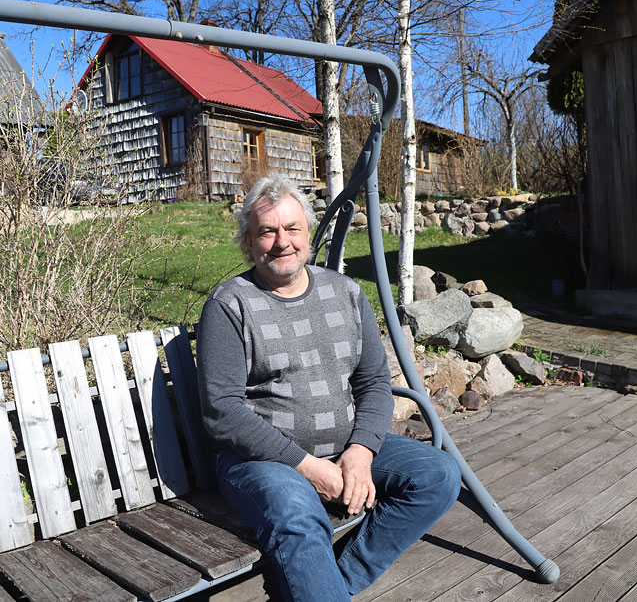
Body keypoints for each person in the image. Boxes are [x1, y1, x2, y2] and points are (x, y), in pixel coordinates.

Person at [196, 174, 461, 601]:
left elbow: (373, 381)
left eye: (292, 228)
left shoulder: (346, 293)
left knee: (439, 474)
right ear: (248, 242)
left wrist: (361, 452)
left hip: (343, 446)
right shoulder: (229, 304)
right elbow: (222, 411)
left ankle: (333, 584)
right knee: (298, 516)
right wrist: (307, 467)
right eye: (267, 231)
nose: (282, 242)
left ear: (308, 234)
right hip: (261, 462)